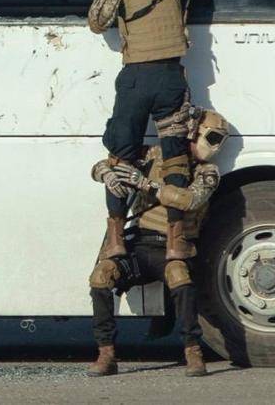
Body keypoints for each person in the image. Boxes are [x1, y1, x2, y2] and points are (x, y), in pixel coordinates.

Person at [87, 106, 230, 378]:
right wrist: (105, 173)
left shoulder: (207, 172)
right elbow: (106, 163)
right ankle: (106, 353)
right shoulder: (154, 156)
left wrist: (146, 185)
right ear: (193, 133)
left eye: (220, 141)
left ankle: (193, 351)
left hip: (173, 248)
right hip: (140, 243)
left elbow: (190, 200)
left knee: (179, 276)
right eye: (212, 138)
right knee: (101, 276)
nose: (215, 147)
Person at [87, 0, 194, 261]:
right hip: (171, 78)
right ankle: (176, 241)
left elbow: (97, 23)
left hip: (136, 80)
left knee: (120, 157)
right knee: (176, 159)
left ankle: (116, 239)